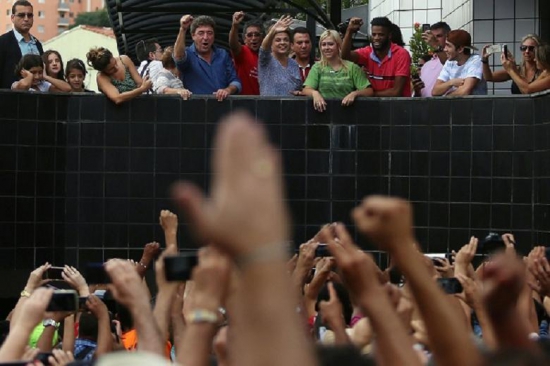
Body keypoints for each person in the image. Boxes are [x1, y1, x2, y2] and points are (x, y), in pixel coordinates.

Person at [174, 15, 241, 101]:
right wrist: (183, 29)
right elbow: (178, 57)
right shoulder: (188, 55)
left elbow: (236, 81)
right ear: (193, 36)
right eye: (201, 33)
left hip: (222, 109)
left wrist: (227, 90)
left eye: (209, 33)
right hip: (195, 109)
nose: (205, 37)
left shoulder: (223, 55)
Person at [302, 30, 373, 112]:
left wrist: (355, 94)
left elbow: (369, 91)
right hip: (323, 112)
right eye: (323, 44)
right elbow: (306, 90)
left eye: (330, 44)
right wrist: (315, 93)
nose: (327, 48)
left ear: (338, 45)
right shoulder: (317, 67)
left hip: (347, 112)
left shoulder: (352, 67)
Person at [342, 16, 412, 97]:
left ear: (389, 35)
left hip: (397, 107)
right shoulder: (367, 52)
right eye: (374, 34)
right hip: (375, 106)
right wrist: (349, 30)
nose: (376, 38)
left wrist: (367, 94)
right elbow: (345, 56)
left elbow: (396, 92)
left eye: (381, 35)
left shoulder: (401, 54)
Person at [0, 0, 43, 89]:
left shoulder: (37, 44)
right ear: (12, 18)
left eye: (30, 15)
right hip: (12, 98)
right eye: (21, 15)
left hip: (38, 98)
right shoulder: (3, 42)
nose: (26, 19)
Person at [86, 47, 152, 104]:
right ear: (103, 70)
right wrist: (141, 89)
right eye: (111, 69)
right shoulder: (101, 77)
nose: (116, 68)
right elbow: (117, 98)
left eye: (115, 63)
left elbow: (140, 83)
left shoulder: (124, 60)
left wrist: (143, 86)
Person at [432, 29, 487, 96]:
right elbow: (435, 91)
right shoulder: (449, 62)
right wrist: (451, 82)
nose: (444, 49)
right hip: (457, 105)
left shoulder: (475, 61)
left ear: (460, 49)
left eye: (448, 46)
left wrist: (446, 96)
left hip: (475, 106)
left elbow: (465, 91)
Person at [258, 15, 302, 96]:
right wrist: (273, 31)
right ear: (271, 43)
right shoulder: (266, 60)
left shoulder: (294, 64)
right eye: (278, 40)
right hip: (269, 107)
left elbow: (297, 89)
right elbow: (263, 49)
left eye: (286, 40)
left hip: (290, 106)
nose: (282, 43)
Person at [229, 11, 264, 95]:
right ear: (244, 39)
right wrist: (235, 26)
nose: (254, 38)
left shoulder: (268, 55)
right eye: (249, 35)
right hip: (245, 103)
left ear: (262, 37)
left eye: (257, 34)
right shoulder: (243, 51)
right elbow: (233, 44)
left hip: (264, 102)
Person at [414, 22, 452, 97]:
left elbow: (449, 65)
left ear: (448, 37)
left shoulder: (454, 59)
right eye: (433, 37)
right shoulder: (426, 65)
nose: (434, 39)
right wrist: (417, 90)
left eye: (439, 36)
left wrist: (435, 45)